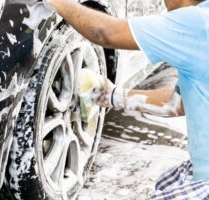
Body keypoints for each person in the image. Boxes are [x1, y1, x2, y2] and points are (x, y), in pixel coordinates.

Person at [43, 0, 209, 199]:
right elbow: (177, 104)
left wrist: (57, 2)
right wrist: (113, 96)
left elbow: (104, 32)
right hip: (201, 171)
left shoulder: (195, 23)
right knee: (166, 183)